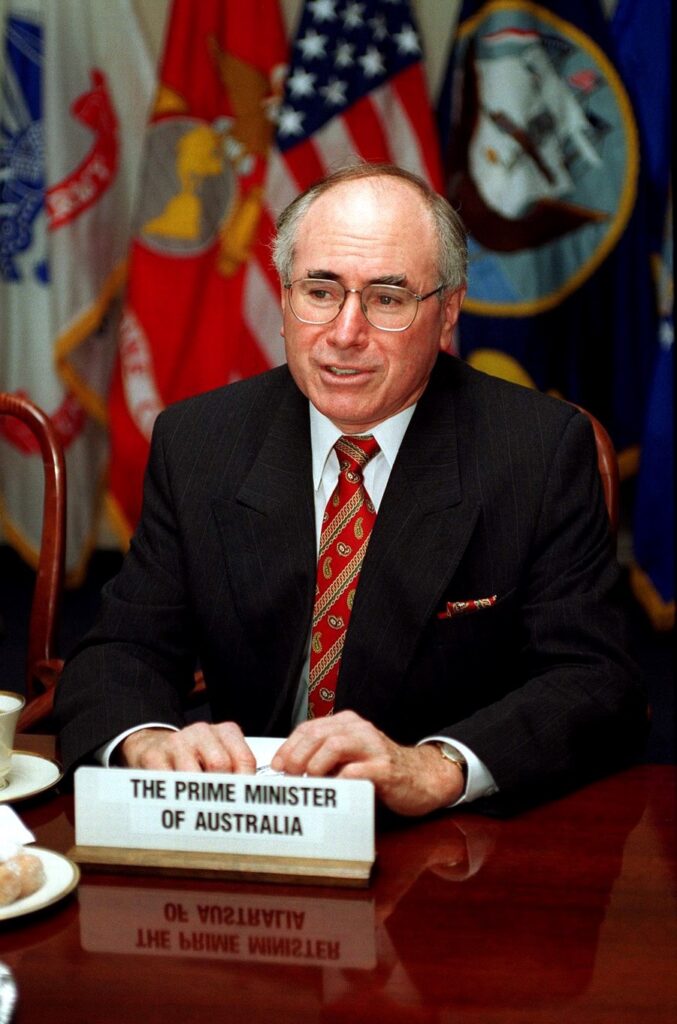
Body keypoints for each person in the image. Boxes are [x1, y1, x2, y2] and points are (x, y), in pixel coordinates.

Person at [54, 163, 646, 816]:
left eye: (387, 299)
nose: (344, 333)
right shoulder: (199, 441)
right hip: (250, 829)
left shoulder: (535, 452)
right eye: (320, 291)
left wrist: (438, 765)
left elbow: (594, 680)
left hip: (446, 847)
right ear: (283, 298)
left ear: (446, 310)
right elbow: (122, 649)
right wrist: (147, 741)